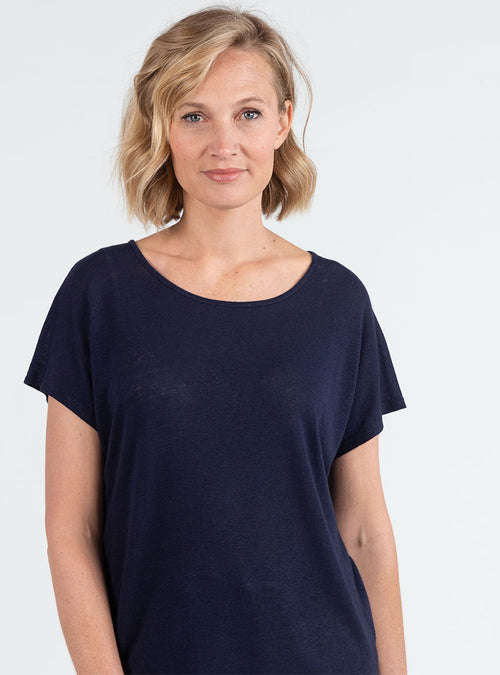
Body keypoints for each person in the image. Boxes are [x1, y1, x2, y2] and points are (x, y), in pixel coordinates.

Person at [23, 5, 408, 674]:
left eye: (248, 113)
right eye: (194, 115)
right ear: (162, 127)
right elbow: (71, 530)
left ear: (284, 121)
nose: (223, 144)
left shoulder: (337, 303)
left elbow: (366, 530)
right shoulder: (100, 295)